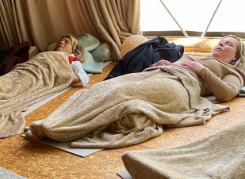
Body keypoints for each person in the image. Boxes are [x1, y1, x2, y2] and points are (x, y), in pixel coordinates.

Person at [26, 35, 245, 149]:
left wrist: (202, 70)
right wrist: (166, 63)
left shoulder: (232, 71)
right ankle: (55, 121)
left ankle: (60, 129)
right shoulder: (197, 57)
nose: (221, 44)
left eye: (227, 45)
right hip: (158, 74)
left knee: (121, 95)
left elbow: (227, 94)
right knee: (103, 86)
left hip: (180, 86)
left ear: (235, 56)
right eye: (221, 41)